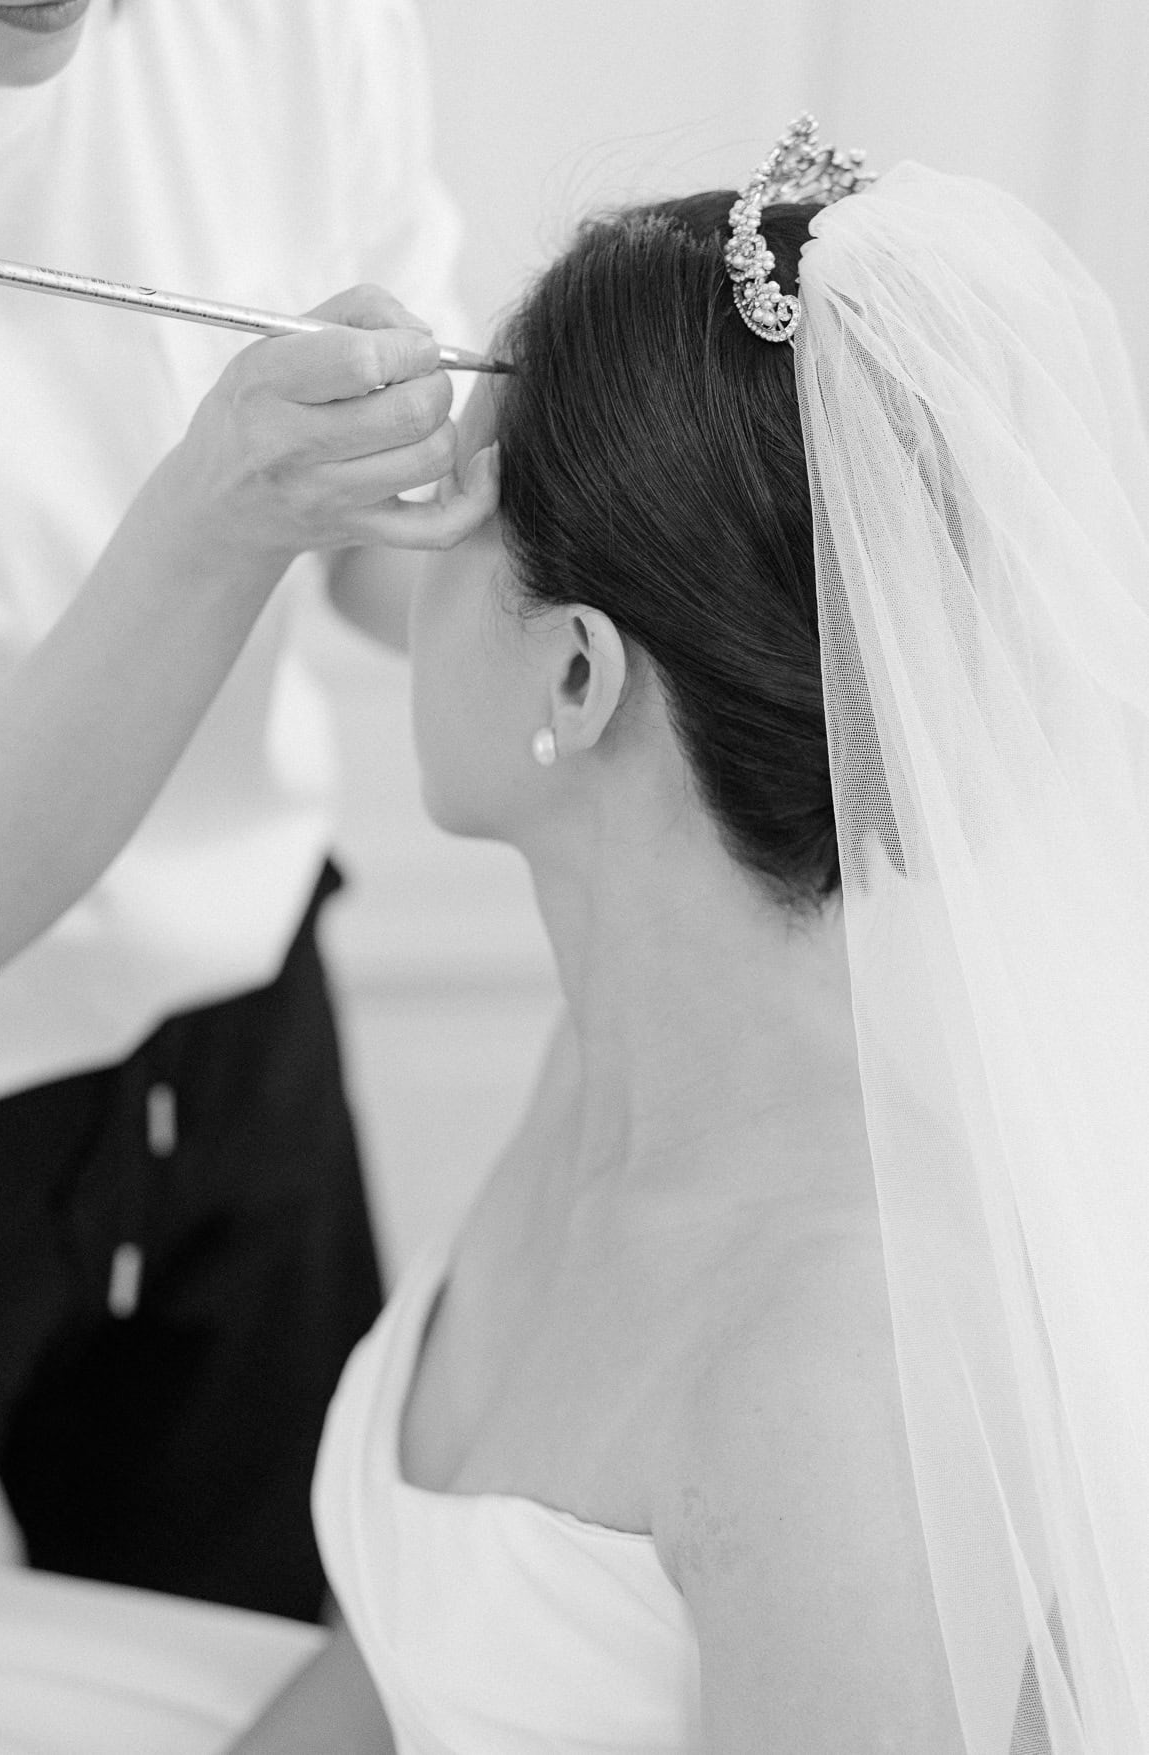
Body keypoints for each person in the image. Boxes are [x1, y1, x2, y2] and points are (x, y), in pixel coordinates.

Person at [232, 120, 1148, 1753]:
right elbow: (397, 1661)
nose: (398, 548)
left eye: (462, 508)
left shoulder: (834, 1375)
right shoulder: (603, 1065)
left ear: (577, 678)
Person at [0, 0, 492, 1623]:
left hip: (240, 1031)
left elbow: (379, 551)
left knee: (270, 1630)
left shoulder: (297, 24)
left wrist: (628, 553)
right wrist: (215, 518)